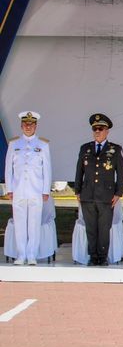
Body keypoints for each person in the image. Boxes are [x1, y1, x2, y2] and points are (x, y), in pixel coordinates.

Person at [74, 113, 123, 266]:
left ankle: (102, 257)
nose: (97, 131)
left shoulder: (115, 149)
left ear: (107, 131)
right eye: (95, 129)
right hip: (88, 194)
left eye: (101, 128)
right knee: (90, 228)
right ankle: (93, 256)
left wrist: (118, 193)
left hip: (106, 196)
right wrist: (77, 190)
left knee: (103, 228)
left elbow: (121, 173)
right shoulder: (85, 148)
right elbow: (79, 171)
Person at [5, 111, 52, 265]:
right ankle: (21, 255)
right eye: (25, 124)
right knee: (19, 223)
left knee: (34, 223)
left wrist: (46, 190)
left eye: (31, 124)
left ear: (36, 126)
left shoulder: (43, 144)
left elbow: (47, 169)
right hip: (19, 190)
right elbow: (8, 169)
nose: (28, 127)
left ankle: (31, 255)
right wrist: (9, 188)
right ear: (21, 125)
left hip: (36, 190)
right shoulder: (14, 144)